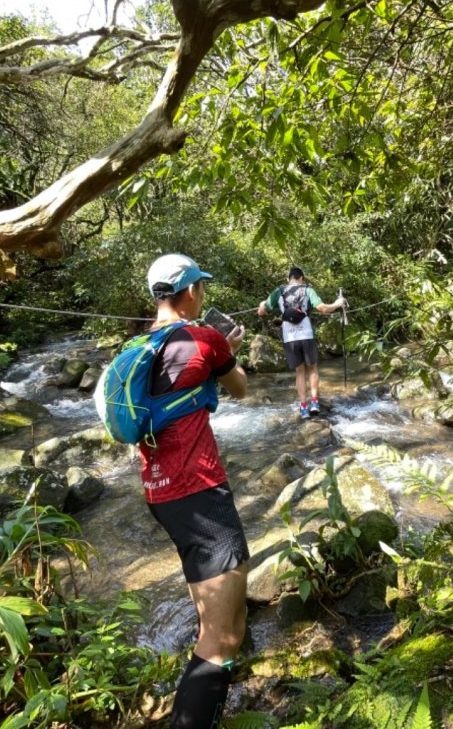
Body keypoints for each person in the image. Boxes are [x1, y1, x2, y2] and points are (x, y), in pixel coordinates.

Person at [138, 253, 249, 729]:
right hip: (199, 492)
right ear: (189, 293)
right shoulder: (205, 337)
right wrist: (229, 347)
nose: (203, 295)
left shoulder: (139, 346)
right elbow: (239, 388)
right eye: (200, 287)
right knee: (223, 638)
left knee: (211, 624)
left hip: (160, 492)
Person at [257, 266, 345, 419]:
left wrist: (262, 304)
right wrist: (338, 303)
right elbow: (323, 308)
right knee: (312, 368)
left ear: (288, 279)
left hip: (289, 338)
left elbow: (261, 312)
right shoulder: (307, 290)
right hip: (306, 334)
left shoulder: (279, 291)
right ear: (302, 278)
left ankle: (304, 407)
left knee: (299, 372)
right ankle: (315, 403)